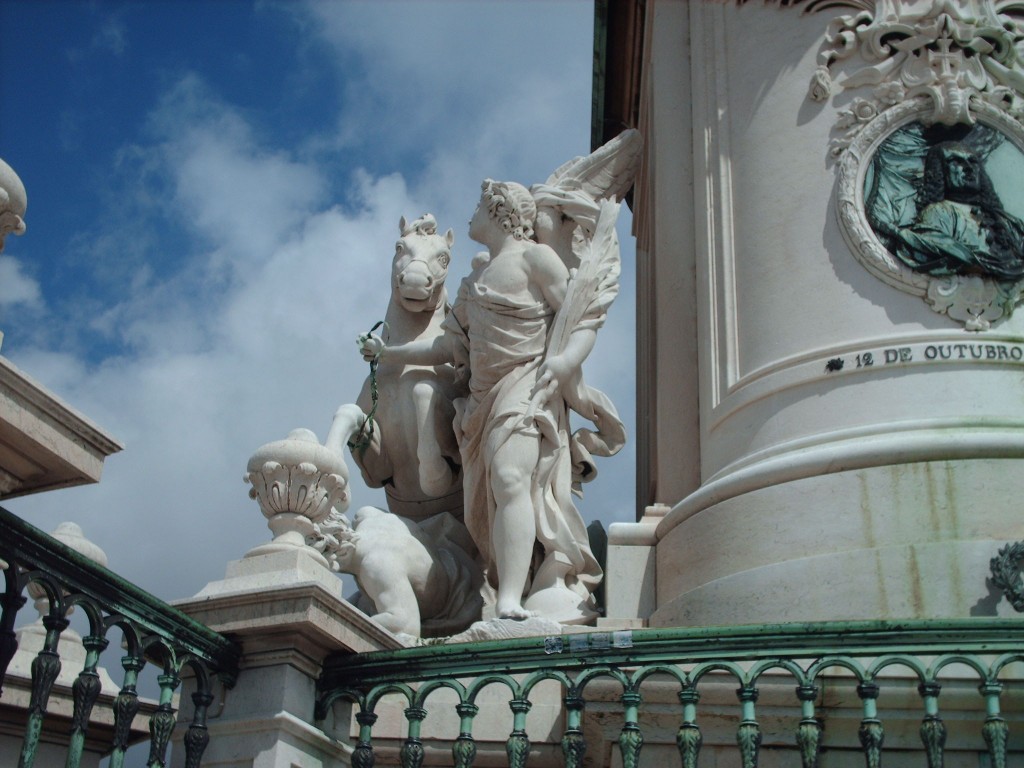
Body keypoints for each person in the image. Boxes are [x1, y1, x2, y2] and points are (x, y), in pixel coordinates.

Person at [360, 179, 605, 621]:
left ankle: (510, 597)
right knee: (489, 500)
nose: (471, 214)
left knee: (511, 480)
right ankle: (510, 584)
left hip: (526, 384)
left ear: (498, 212)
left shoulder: (535, 259)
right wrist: (389, 352)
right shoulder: (473, 283)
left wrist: (566, 362)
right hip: (481, 403)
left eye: (478, 206)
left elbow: (580, 318)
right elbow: (445, 348)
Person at [889, 141, 1024, 281]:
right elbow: (929, 248)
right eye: (956, 161)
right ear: (940, 171)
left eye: (973, 162)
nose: (968, 168)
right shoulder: (939, 212)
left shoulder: (1010, 223)